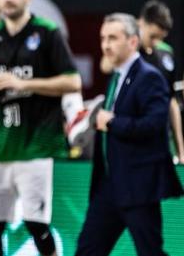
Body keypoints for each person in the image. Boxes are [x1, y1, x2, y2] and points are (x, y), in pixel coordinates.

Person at [0, 0, 81, 256]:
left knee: (36, 224)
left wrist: (23, 83)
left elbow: (73, 82)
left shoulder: (46, 32)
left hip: (35, 146)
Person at [75, 13, 183, 256]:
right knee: (87, 251)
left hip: (138, 187)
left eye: (113, 38)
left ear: (133, 41)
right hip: (109, 185)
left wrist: (113, 123)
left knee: (150, 251)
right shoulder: (116, 75)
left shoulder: (149, 77)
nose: (105, 45)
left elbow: (154, 125)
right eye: (103, 38)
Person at [138, 0, 184, 163]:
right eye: (153, 36)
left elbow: (171, 101)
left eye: (160, 38)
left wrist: (181, 150)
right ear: (140, 23)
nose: (156, 43)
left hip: (161, 144)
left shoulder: (166, 53)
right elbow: (106, 66)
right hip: (132, 142)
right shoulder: (127, 51)